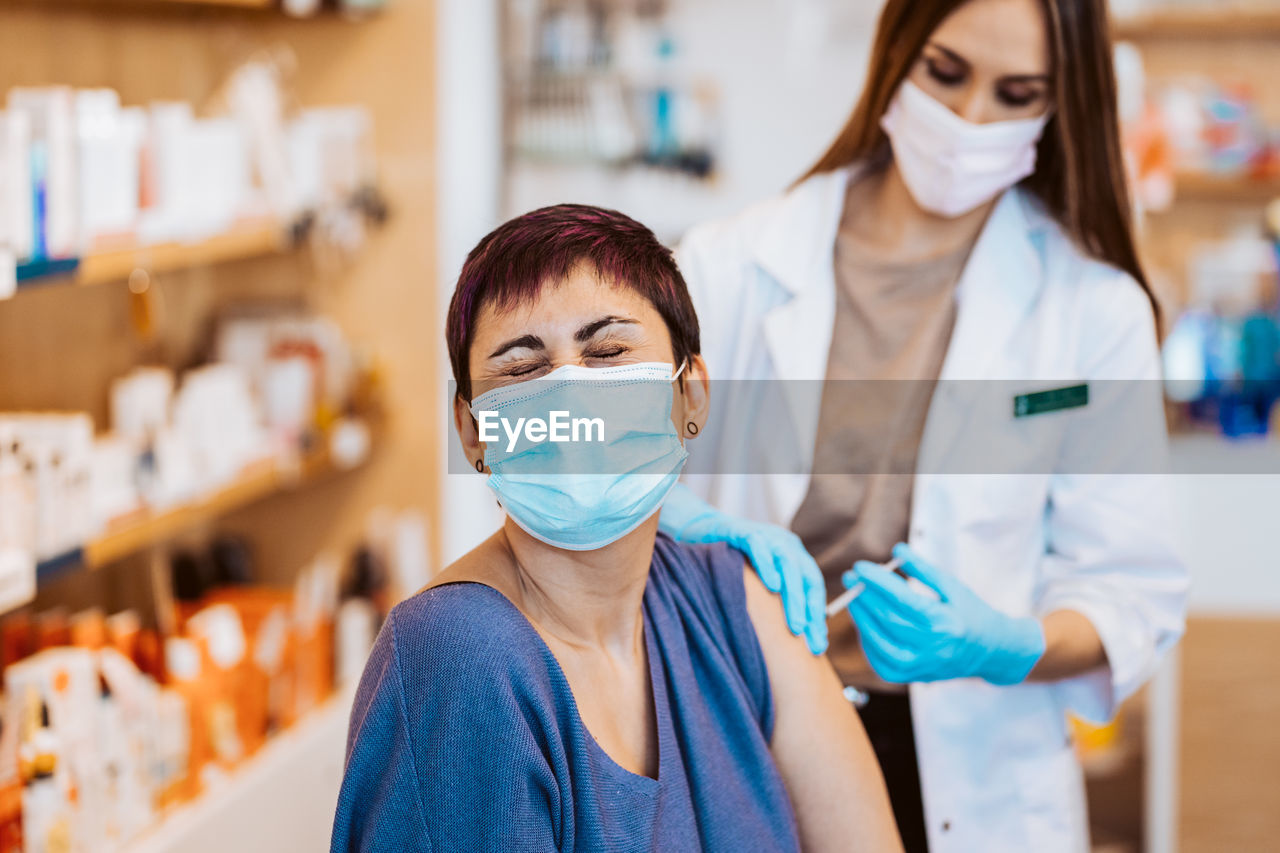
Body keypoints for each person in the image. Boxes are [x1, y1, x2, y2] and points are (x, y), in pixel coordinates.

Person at [656, 0, 1189, 850]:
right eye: (945, 74)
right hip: (758, 731)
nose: (971, 119)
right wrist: (676, 512)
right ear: (897, 51)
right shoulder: (732, 264)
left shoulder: (1092, 311)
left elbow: (1130, 593)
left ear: (1063, 105)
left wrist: (1004, 644)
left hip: (972, 770)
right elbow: (606, 460)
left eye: (1018, 93)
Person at [330, 204, 903, 852]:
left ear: (690, 395)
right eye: (522, 368)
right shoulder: (461, 657)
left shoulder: (732, 602)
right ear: (473, 433)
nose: (571, 395)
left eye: (607, 351)